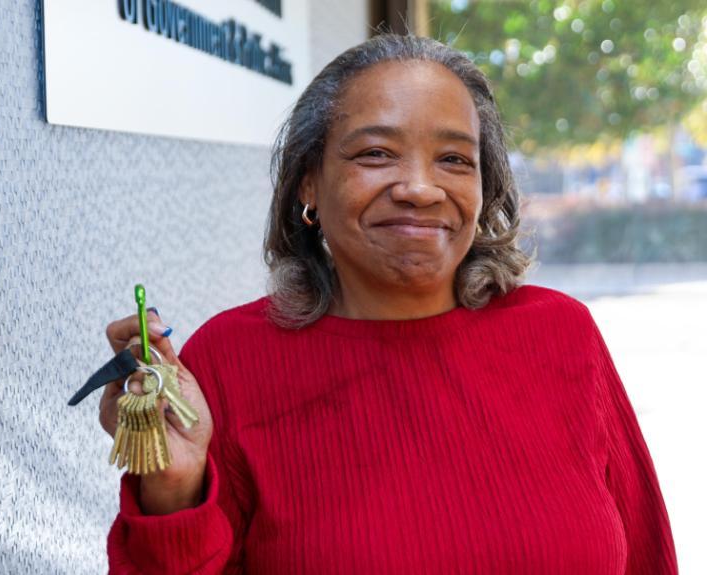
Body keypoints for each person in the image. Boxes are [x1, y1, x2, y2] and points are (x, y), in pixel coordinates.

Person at [99, 34, 678, 574]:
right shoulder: (230, 359)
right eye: (376, 153)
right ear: (308, 184)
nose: (421, 188)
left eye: (454, 159)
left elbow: (649, 554)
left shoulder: (560, 332)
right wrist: (173, 490)